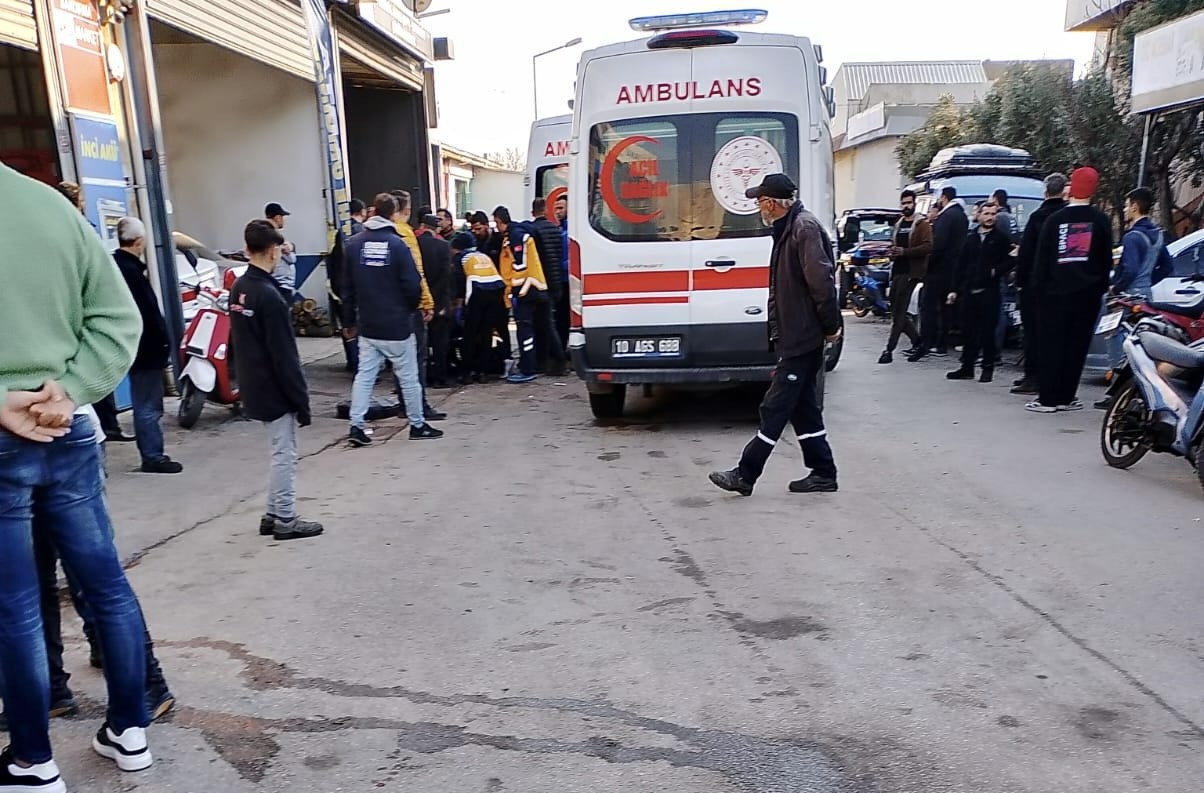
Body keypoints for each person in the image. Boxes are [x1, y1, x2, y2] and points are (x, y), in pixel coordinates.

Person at [0, 161, 155, 790]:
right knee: (106, 584)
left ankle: (33, 761)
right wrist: (71, 390)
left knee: (15, 607)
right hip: (69, 428)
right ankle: (131, 730)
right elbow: (118, 319)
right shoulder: (51, 208)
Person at [709, 174, 842, 497]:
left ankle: (746, 474)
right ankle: (823, 472)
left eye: (760, 202)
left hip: (802, 336)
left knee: (775, 406)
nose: (759, 208)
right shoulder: (790, 228)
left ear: (770, 203)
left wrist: (831, 326)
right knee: (804, 409)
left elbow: (822, 283)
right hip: (796, 334)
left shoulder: (803, 229)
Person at [229, 220, 324, 540]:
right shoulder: (270, 297)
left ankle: (272, 514)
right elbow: (285, 356)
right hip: (273, 385)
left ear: (247, 249)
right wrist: (300, 399)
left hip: (251, 380)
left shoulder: (240, 288)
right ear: (273, 252)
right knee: (285, 454)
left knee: (278, 450)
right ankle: (285, 517)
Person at [342, 194, 444, 446]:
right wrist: (409, 309)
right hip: (397, 325)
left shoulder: (353, 244)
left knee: (365, 376)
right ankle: (417, 424)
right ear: (394, 214)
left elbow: (347, 288)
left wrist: (349, 322)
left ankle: (357, 425)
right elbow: (412, 284)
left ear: (374, 211)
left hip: (368, 324)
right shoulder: (398, 244)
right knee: (408, 377)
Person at [1027, 167, 1114, 413]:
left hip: (1054, 294)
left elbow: (1042, 260)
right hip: (1087, 295)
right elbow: (1105, 260)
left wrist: (1037, 289)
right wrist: (1099, 288)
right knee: (1076, 346)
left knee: (1050, 345)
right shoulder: (1101, 221)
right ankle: (1066, 396)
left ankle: (1047, 399)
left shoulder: (1055, 220)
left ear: (1071, 188)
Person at [112, 217, 183, 475]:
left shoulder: (116, 268)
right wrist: (162, 343)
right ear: (140, 241)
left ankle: (151, 453)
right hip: (145, 349)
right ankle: (153, 456)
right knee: (148, 405)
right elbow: (147, 314)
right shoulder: (131, 272)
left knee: (145, 402)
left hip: (132, 347)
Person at [389, 191, 445, 423]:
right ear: (407, 209)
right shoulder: (406, 234)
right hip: (409, 306)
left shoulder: (379, 234)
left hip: (388, 306)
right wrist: (427, 303)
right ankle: (418, 405)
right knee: (417, 357)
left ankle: (404, 403)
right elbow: (416, 272)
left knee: (397, 358)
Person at [1010, 173, 1068, 396]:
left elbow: (1026, 253)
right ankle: (1051, 376)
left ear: (1045, 192)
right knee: (1055, 334)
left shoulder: (1038, 217)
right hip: (1061, 284)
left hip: (1035, 285)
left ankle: (1032, 376)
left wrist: (1020, 280)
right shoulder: (1067, 216)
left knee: (1033, 333)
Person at [945, 204, 1014, 383]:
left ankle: (987, 368)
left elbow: (1011, 259)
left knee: (987, 331)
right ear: (979, 215)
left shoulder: (1001, 238)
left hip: (990, 291)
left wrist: (995, 271)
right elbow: (960, 265)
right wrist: (954, 289)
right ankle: (967, 367)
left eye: (993, 214)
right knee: (968, 330)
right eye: (987, 213)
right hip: (969, 290)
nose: (990, 217)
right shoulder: (971, 238)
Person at [910, 186, 968, 361]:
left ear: (943, 198)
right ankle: (942, 343)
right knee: (946, 308)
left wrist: (927, 265)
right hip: (954, 269)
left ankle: (928, 343)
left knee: (930, 307)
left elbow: (938, 244)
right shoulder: (962, 216)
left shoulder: (946, 216)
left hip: (939, 270)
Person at [494, 205, 551, 384]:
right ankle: (535, 363)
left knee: (524, 331)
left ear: (499, 221)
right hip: (533, 288)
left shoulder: (516, 236)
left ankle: (528, 368)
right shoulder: (516, 234)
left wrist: (514, 292)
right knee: (538, 327)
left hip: (526, 290)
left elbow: (520, 265)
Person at [879, 190, 930, 364]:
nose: (906, 206)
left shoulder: (922, 224)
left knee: (900, 312)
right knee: (895, 311)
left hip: (912, 272)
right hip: (897, 271)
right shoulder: (899, 223)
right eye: (904, 203)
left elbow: (928, 247)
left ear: (914, 203)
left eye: (909, 203)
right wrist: (892, 251)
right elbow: (895, 244)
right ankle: (919, 343)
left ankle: (889, 350)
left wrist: (905, 252)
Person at [452, 232, 508, 383]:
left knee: (469, 334)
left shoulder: (461, 257)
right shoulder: (482, 255)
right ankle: (483, 372)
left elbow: (459, 283)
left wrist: (459, 306)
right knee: (486, 333)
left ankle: (467, 372)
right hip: (496, 290)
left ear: (457, 248)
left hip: (478, 292)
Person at [529, 197, 568, 376]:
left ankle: (557, 360)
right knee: (551, 322)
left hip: (542, 282)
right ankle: (553, 359)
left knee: (545, 323)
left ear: (532, 212)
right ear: (545, 210)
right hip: (557, 281)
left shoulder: (533, 230)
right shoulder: (556, 230)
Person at [1114, 187, 1173, 299]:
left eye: (1126, 206)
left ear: (1134, 207)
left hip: (1130, 296)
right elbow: (1168, 267)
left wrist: (1116, 288)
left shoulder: (1131, 237)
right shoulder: (1159, 235)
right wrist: (1148, 281)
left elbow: (1131, 270)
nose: (1124, 210)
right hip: (1147, 294)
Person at [417, 213, 454, 388]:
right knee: (440, 342)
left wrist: (424, 295)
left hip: (419, 301)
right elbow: (446, 275)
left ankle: (422, 377)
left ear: (422, 227)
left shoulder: (414, 245)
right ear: (436, 229)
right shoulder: (444, 246)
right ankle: (440, 377)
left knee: (420, 343)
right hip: (440, 301)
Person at [265, 202, 297, 298]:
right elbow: (291, 259)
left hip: (276, 284)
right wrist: (289, 249)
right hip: (280, 285)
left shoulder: (266, 234)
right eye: (283, 217)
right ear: (278, 218)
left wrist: (291, 246)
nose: (284, 220)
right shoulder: (274, 236)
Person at [554, 194, 571, 356]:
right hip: (562, 281)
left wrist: (560, 266)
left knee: (564, 318)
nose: (557, 212)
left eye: (561, 208)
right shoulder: (559, 231)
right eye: (556, 208)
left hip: (570, 282)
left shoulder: (571, 232)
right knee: (561, 318)